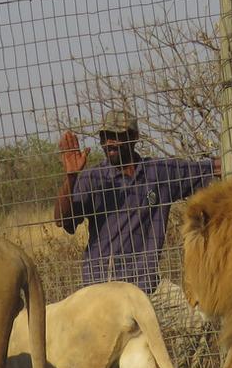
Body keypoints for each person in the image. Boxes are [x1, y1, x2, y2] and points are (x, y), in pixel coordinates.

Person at [53, 108, 217, 295]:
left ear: (134, 136)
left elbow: (209, 168)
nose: (109, 143)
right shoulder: (93, 179)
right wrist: (71, 176)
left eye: (116, 136)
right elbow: (63, 220)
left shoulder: (158, 172)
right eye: (105, 137)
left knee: (198, 318)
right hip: (102, 289)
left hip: (147, 286)